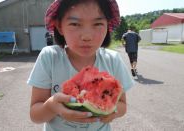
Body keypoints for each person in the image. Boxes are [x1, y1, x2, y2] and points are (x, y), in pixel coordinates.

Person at [27, 0, 134, 131]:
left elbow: (122, 104)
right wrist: (51, 106)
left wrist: (112, 111)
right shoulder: (49, 57)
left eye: (98, 24)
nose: (87, 36)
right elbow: (35, 115)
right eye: (75, 24)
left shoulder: (113, 60)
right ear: (60, 26)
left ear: (107, 26)